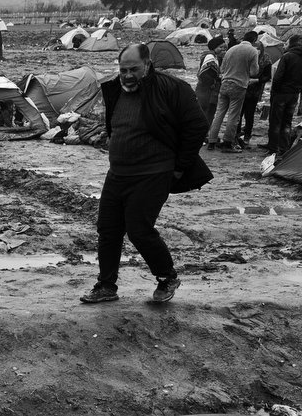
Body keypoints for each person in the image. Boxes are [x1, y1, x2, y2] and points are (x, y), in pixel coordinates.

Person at [83, 43, 210, 306]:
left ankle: (167, 277)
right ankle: (106, 285)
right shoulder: (115, 89)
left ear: (148, 66)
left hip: (154, 172)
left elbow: (197, 126)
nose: (128, 75)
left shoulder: (172, 89)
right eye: (123, 69)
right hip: (118, 172)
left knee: (139, 230)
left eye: (134, 69)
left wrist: (179, 167)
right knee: (108, 230)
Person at [208, 30, 259, 152]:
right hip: (239, 85)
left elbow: (222, 69)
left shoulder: (231, 49)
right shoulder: (253, 51)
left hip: (225, 84)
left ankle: (211, 141)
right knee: (233, 115)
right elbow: (254, 72)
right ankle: (227, 143)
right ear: (254, 40)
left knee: (219, 114)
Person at [267, 34, 302, 156]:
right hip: (294, 93)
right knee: (287, 121)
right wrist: (300, 86)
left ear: (291, 43)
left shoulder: (287, 56)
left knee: (276, 120)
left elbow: (278, 77)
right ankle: (283, 147)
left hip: (281, 93)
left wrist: (274, 92)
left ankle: (273, 148)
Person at [238, 35, 272, 147]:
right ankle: (236, 135)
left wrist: (257, 80)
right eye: (254, 48)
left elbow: (268, 76)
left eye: (258, 48)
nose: (256, 51)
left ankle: (247, 136)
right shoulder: (245, 57)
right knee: (238, 113)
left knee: (249, 114)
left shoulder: (266, 59)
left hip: (254, 91)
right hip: (240, 88)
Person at [195, 36, 225, 123]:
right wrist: (218, 78)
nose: (223, 50)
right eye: (220, 47)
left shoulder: (215, 57)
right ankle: (202, 133)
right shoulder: (210, 57)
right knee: (205, 111)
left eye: (224, 48)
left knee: (210, 111)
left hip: (211, 89)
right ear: (214, 47)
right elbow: (204, 75)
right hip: (206, 90)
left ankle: (206, 132)